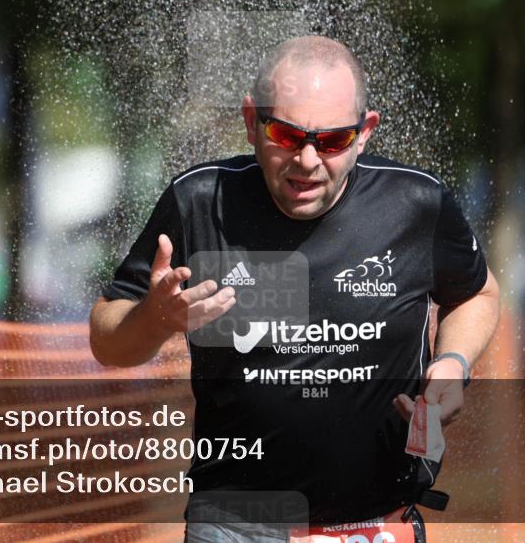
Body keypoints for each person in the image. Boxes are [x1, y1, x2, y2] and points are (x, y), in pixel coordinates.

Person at [90, 36, 500, 542]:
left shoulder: (416, 203)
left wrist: (453, 364)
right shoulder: (199, 200)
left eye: (332, 141)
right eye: (285, 135)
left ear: (365, 132)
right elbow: (106, 340)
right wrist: (154, 319)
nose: (307, 160)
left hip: (378, 523)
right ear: (251, 121)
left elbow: (477, 294)